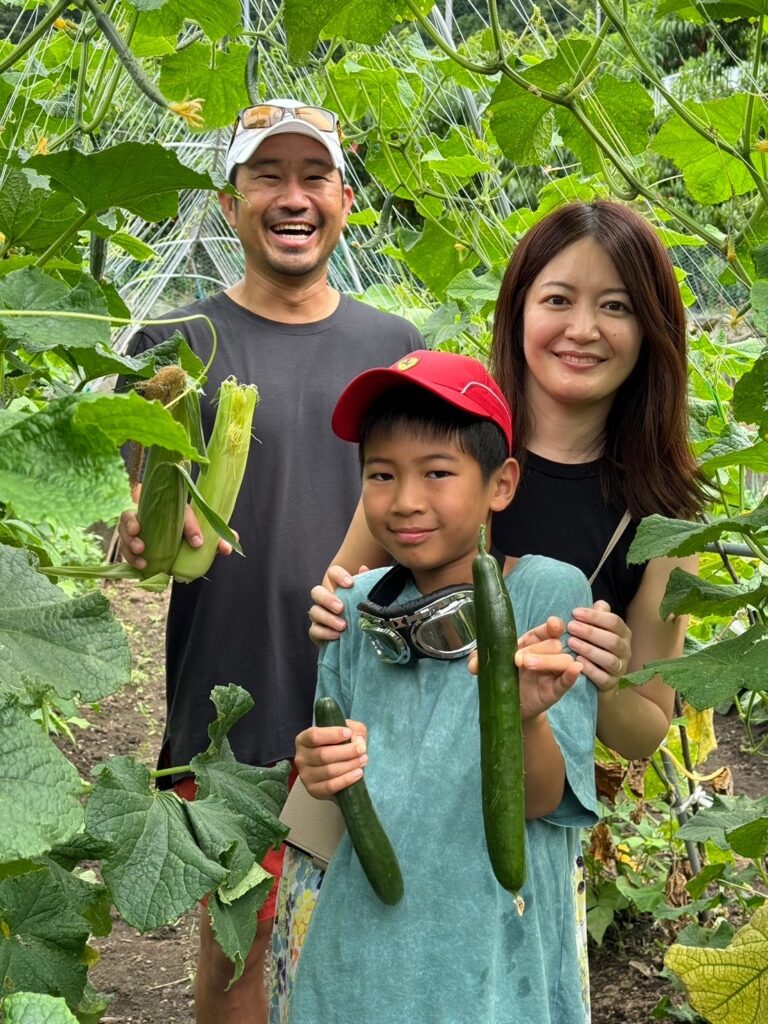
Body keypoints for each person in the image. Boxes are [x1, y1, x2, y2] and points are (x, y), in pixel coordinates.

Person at [275, 199, 704, 1020]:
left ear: (651, 330)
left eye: (615, 306)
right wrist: (331, 610)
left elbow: (648, 726)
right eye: (558, 299)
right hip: (382, 813)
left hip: (506, 841)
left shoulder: (659, 519)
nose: (582, 327)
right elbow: (344, 609)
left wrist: (609, 678)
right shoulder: (440, 435)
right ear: (519, 309)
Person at [117, 98, 421, 1024]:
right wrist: (133, 538)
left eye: (313, 176)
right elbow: (123, 522)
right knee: (237, 965)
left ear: (343, 197)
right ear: (229, 198)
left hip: (369, 698)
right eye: (267, 176)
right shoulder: (172, 346)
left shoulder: (395, 348)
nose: (293, 198)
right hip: (229, 700)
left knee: (364, 949)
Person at [286, 349, 599, 1024]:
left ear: (501, 484)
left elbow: (544, 800)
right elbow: (337, 780)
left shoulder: (548, 595)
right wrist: (320, 766)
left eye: (436, 472)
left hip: (490, 957)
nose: (405, 501)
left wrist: (527, 718)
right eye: (381, 474)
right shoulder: (352, 607)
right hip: (364, 953)